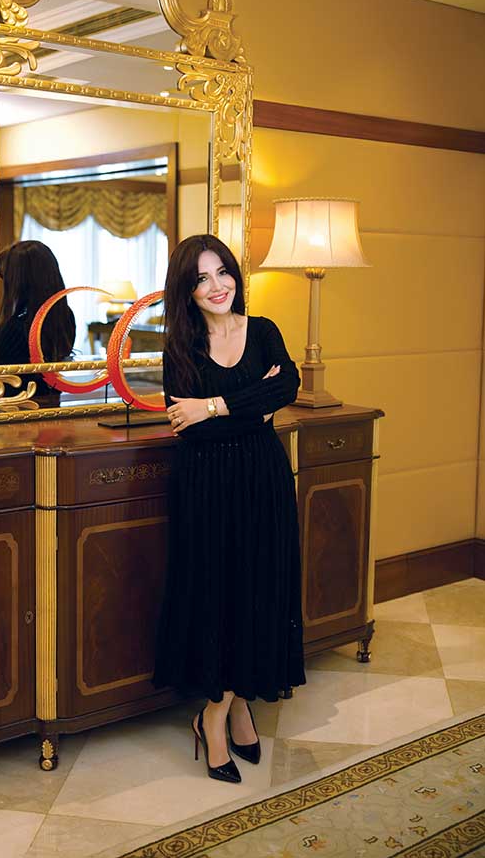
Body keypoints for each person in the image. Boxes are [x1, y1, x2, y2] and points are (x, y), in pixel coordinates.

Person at [152, 233, 306, 783]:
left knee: (258, 590)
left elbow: (288, 386)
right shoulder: (181, 348)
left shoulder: (262, 331)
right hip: (207, 488)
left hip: (262, 481)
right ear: (187, 290)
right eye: (201, 278)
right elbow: (188, 429)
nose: (217, 286)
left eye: (222, 272)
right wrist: (250, 406)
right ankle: (216, 715)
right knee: (221, 595)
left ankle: (231, 708)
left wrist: (213, 406)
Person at [0, 240, 76, 405]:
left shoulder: (15, 328)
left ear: (19, 281)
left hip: (15, 408)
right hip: (51, 404)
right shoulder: (65, 317)